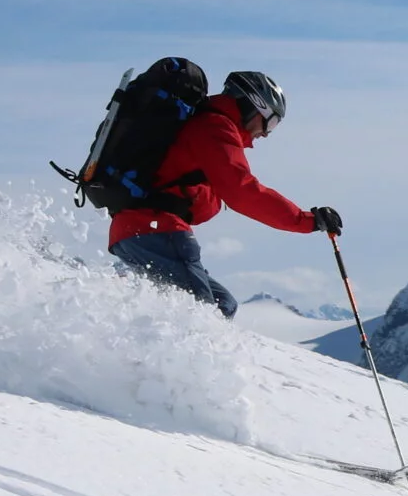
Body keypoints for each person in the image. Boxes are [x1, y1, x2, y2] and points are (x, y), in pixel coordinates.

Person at [106, 69, 340, 318]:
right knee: (200, 318)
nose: (266, 133)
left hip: (138, 230)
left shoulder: (204, 125)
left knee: (221, 305)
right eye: (270, 122)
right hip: (158, 229)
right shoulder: (215, 127)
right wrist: (307, 220)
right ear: (253, 105)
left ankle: (131, 353)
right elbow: (242, 191)